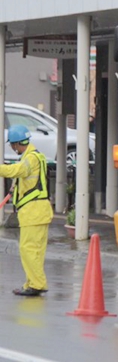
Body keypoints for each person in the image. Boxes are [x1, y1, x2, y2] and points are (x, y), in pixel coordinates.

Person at [1, 124, 52, 296]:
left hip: (34, 211)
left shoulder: (30, 158)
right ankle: (32, 283)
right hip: (38, 211)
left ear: (16, 144)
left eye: (12, 145)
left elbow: (17, 170)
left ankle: (36, 284)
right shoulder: (34, 156)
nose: (12, 148)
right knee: (35, 251)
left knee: (28, 249)